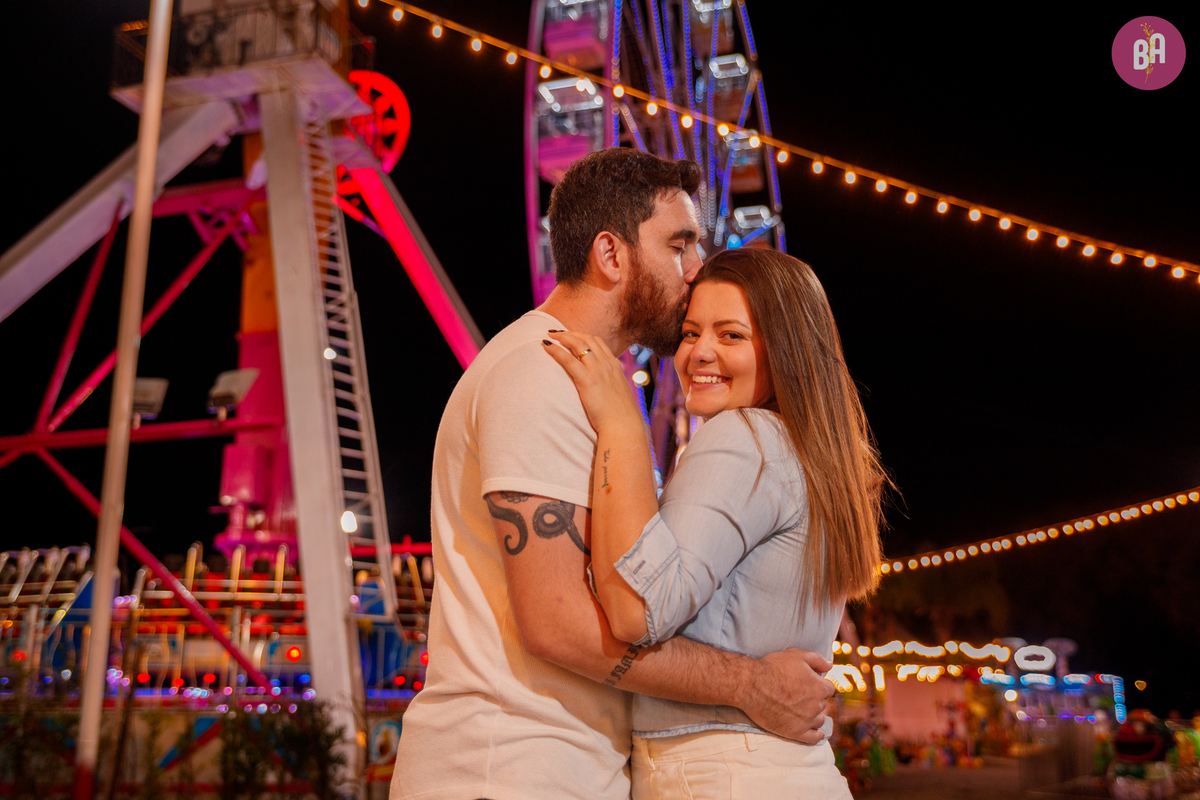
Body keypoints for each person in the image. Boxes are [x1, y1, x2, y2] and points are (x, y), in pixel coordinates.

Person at [391, 150, 836, 800]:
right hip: (507, 768)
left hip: (555, 769)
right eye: (679, 245)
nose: (697, 268)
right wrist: (751, 684)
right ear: (611, 254)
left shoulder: (580, 382)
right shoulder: (539, 375)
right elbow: (559, 624)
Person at [543, 247, 886, 799]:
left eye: (731, 335)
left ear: (786, 352)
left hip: (720, 769)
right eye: (690, 333)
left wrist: (622, 426)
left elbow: (637, 610)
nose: (699, 352)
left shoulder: (744, 437)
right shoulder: (813, 457)